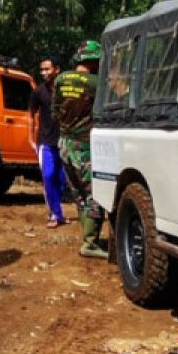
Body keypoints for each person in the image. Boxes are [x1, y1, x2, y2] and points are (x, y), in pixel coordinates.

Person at [54, 40, 106, 259]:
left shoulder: (60, 79)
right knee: (95, 194)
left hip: (63, 145)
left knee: (78, 194)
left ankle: (87, 237)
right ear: (93, 61)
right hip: (85, 147)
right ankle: (91, 243)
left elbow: (54, 111)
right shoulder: (96, 83)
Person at [28, 55, 67, 228]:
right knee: (48, 176)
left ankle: (58, 211)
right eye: (42, 69)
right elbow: (31, 115)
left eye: (47, 69)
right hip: (45, 142)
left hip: (64, 142)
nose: (43, 72)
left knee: (61, 180)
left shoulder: (65, 91)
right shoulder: (38, 92)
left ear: (57, 69)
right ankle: (55, 214)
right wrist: (30, 138)